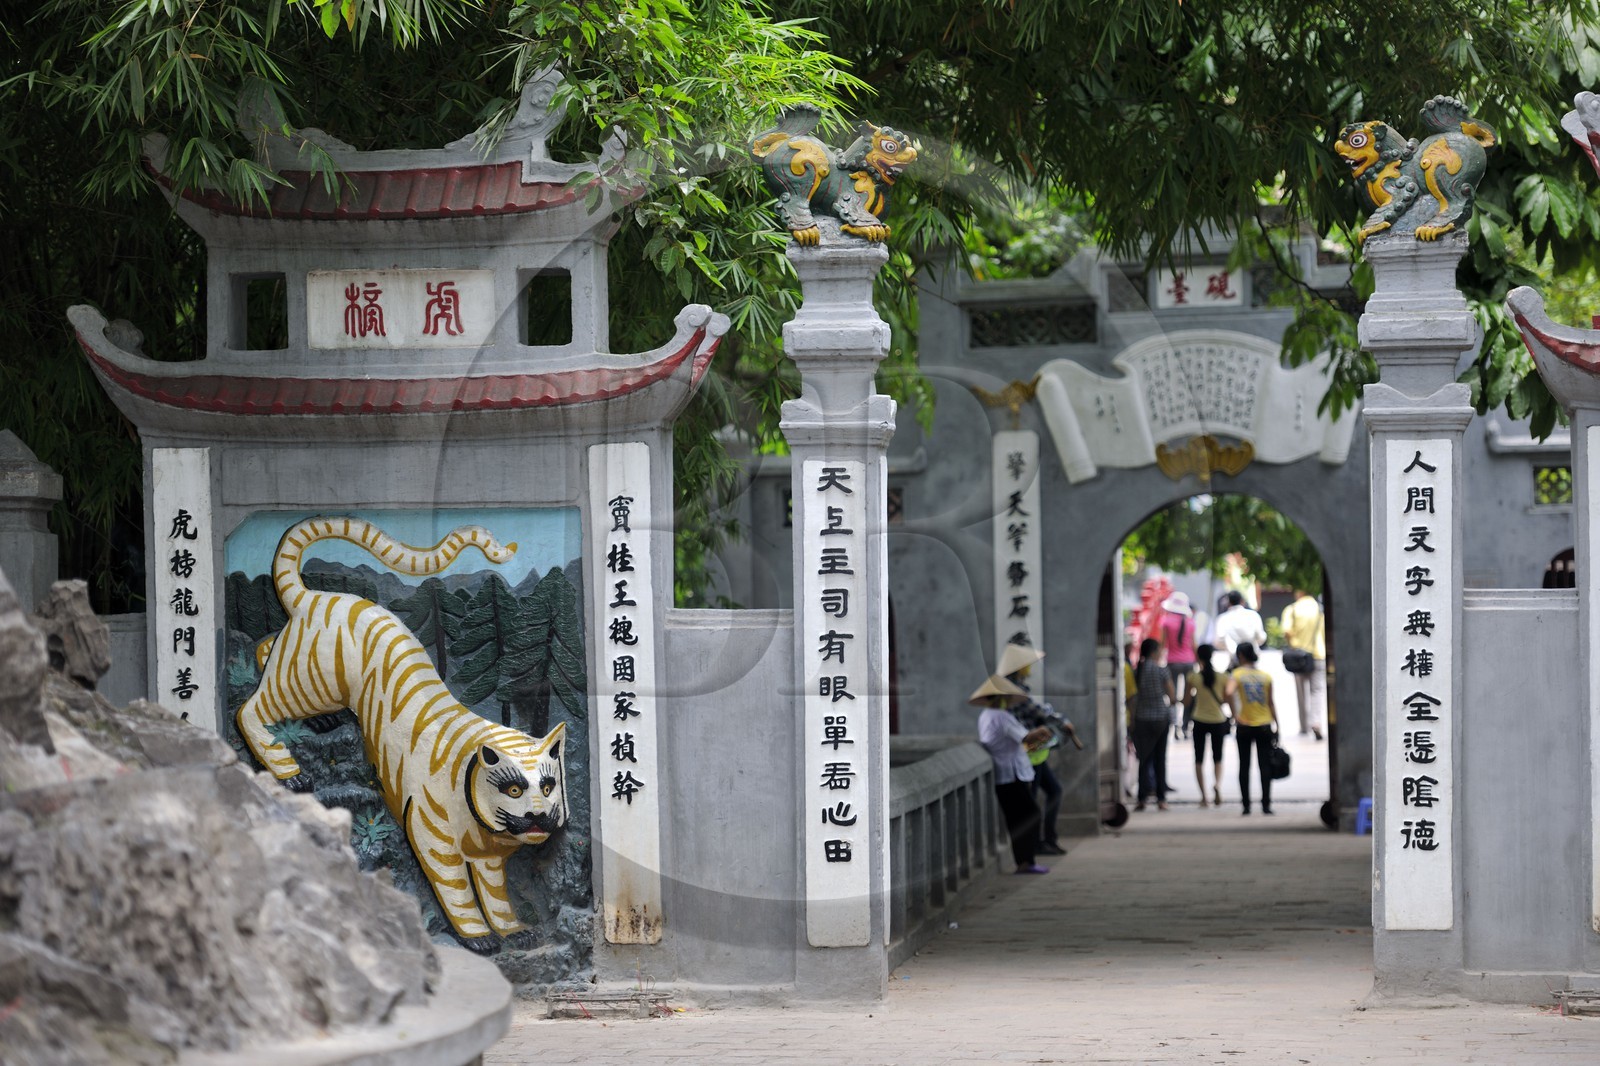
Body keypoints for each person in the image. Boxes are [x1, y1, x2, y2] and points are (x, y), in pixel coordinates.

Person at [998, 642, 1078, 856]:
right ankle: (1035, 845)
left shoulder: (1017, 687)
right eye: (1026, 664)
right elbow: (1040, 711)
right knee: (1032, 803)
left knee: (1053, 791)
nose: (1030, 668)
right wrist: (1062, 721)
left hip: (1035, 753)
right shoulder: (1012, 691)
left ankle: (1047, 839)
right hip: (1026, 754)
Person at [972, 673, 1054, 873]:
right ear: (1000, 697)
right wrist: (1042, 730)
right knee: (1030, 816)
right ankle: (1026, 860)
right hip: (1011, 774)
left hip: (1004, 775)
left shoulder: (985, 716)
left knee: (1017, 819)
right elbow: (1025, 737)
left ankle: (1025, 861)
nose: (1009, 701)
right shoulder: (1001, 716)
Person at [1229, 642, 1279, 815]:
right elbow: (1271, 703)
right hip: (1264, 724)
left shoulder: (1237, 674)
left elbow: (1228, 693)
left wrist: (1236, 715)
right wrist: (1277, 725)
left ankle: (1246, 806)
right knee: (1264, 766)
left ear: (1240, 655)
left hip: (1244, 725)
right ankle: (1266, 805)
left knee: (1244, 766)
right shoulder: (1265, 676)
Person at [1128, 637, 1175, 811]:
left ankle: (1142, 798)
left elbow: (1132, 698)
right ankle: (1161, 799)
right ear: (1154, 652)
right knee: (1160, 759)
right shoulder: (1162, 671)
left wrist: (1132, 720)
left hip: (1141, 719)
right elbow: (1172, 696)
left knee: (1144, 759)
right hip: (1160, 718)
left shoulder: (1136, 671)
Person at [1183, 642, 1233, 808]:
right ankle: (1217, 785)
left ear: (1199, 657)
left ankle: (1204, 797)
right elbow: (1227, 699)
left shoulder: (1193, 677)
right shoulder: (1223, 677)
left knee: (1199, 759)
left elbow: (1187, 701)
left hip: (1199, 720)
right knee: (1217, 757)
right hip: (1218, 720)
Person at [1280, 587, 1327, 741]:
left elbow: (1286, 631)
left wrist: (1293, 642)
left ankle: (1304, 726)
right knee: (1317, 691)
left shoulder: (1292, 609)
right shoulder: (1319, 609)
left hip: (1298, 655)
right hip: (1318, 653)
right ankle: (1316, 722)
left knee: (1301, 693)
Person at [1159, 591, 1198, 738]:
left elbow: (1163, 645)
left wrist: (1157, 662)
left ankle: (1175, 725)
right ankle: (1186, 724)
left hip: (1172, 662)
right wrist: (1199, 662)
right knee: (1189, 694)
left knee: (1172, 695)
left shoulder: (1166, 621)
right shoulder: (1190, 622)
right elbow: (1194, 645)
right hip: (1189, 662)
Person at [1213, 590, 1266, 666]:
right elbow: (1261, 637)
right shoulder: (1253, 615)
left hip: (1234, 659)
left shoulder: (1222, 619)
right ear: (1242, 601)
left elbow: (1218, 641)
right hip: (1252, 659)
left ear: (1228, 603)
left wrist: (1228, 647)